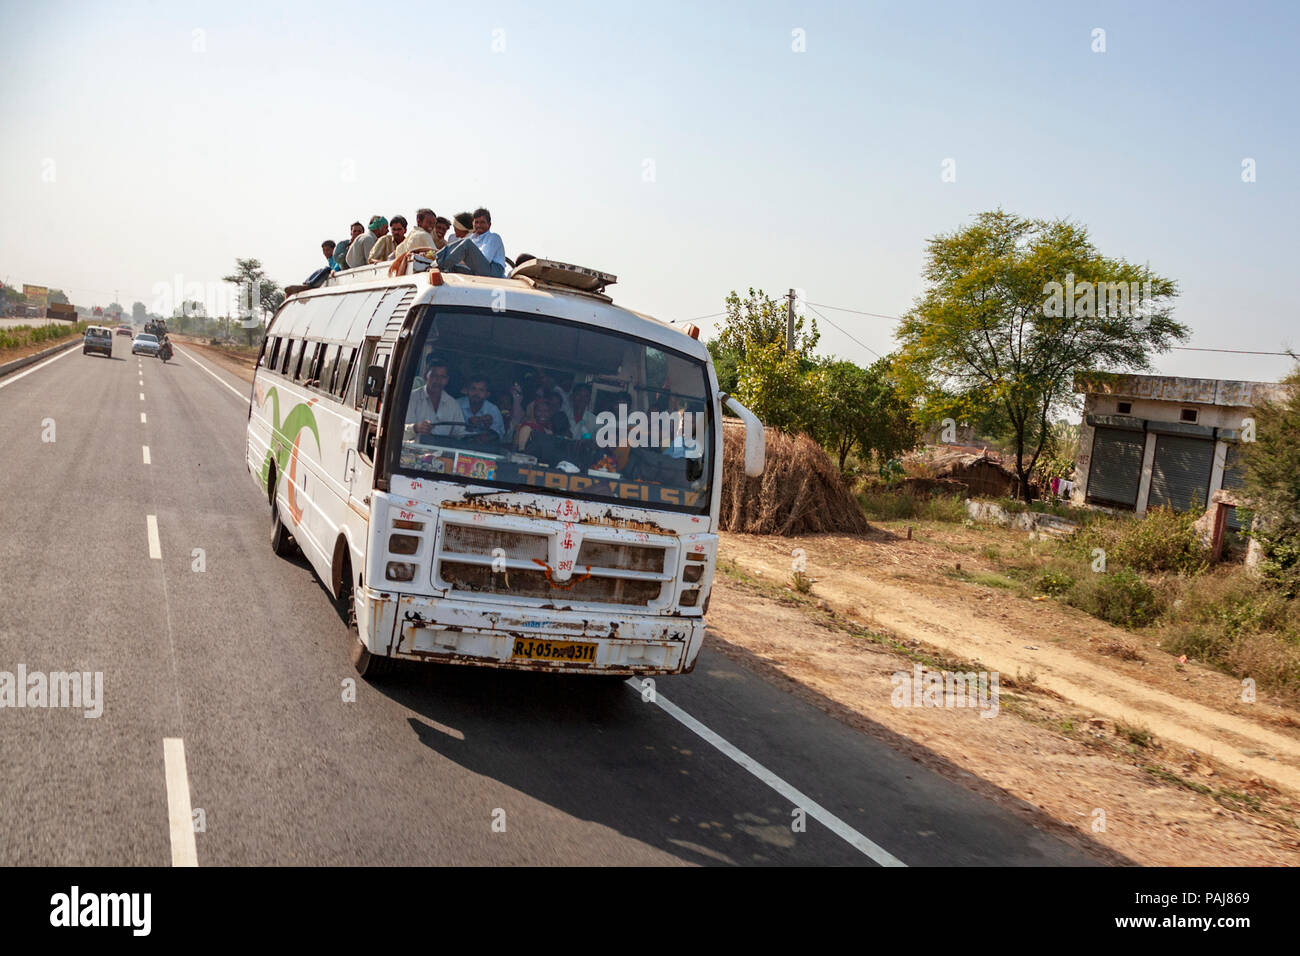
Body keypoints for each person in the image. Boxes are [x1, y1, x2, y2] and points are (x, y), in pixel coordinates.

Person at [404, 356, 465, 441]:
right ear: (425, 376)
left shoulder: (453, 404)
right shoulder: (411, 398)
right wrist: (415, 428)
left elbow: (460, 434)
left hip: (443, 452)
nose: (438, 380)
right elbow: (397, 431)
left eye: (442, 377)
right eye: (434, 375)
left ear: (447, 380)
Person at [457, 373, 505, 441]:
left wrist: (488, 428)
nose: (476, 393)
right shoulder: (456, 404)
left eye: (481, 390)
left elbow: (499, 435)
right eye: (473, 388)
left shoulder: (493, 410)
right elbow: (450, 432)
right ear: (467, 390)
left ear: (487, 394)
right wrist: (468, 426)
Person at [468, 207, 507, 277]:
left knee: (464, 244)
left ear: (489, 224)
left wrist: (463, 260)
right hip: (476, 269)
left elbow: (484, 260)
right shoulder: (471, 239)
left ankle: (442, 260)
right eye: (476, 222)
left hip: (493, 269)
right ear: (472, 224)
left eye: (482, 222)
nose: (479, 225)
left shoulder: (493, 237)